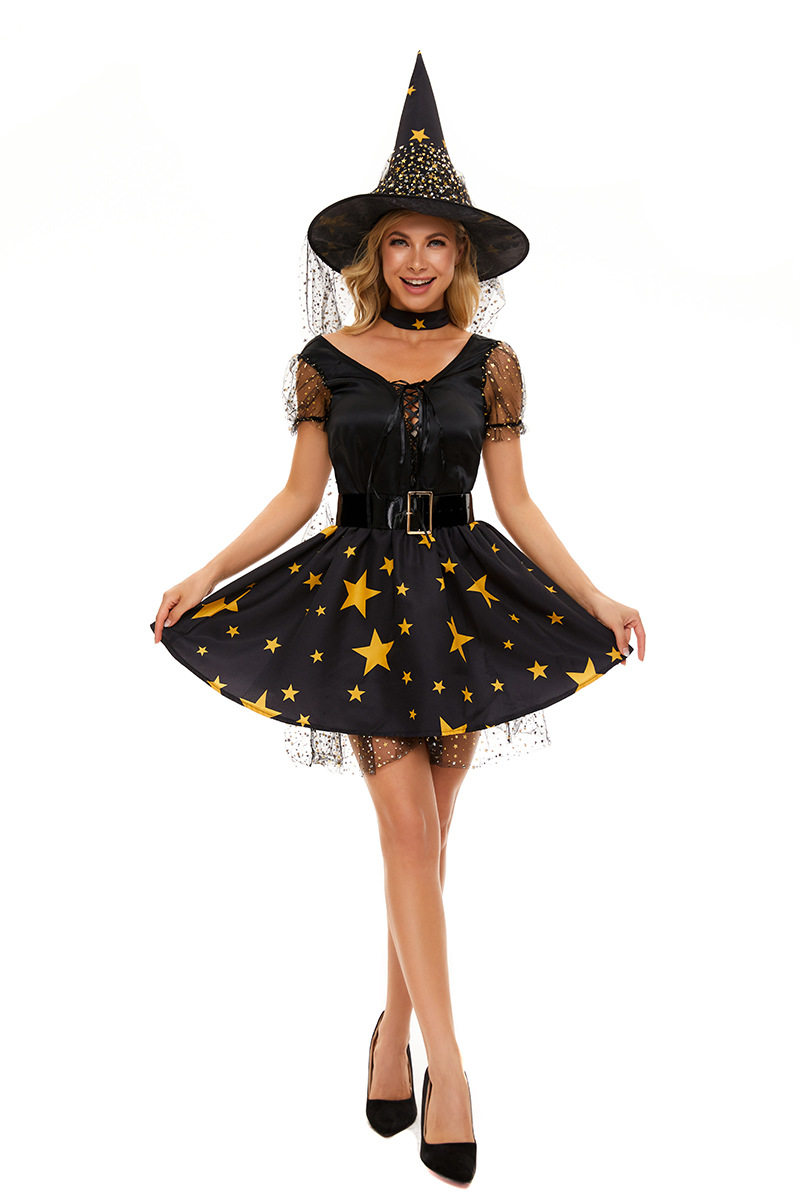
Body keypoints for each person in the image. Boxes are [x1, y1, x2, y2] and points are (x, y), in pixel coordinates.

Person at [150, 53, 645, 1186]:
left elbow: (518, 505)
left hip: (462, 607)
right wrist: (206, 571)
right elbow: (297, 496)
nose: (418, 260)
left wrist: (598, 598)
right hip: (358, 606)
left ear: (461, 261)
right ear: (371, 258)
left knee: (428, 840)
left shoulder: (491, 365)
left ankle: (388, 1034)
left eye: (437, 244)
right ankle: (450, 1073)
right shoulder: (324, 362)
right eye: (398, 243)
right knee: (408, 838)